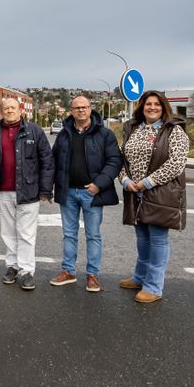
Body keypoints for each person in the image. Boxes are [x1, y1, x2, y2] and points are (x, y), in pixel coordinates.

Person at [118, 91, 188, 303]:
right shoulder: (133, 128)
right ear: (142, 106)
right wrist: (124, 180)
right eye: (148, 104)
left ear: (164, 107)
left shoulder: (174, 131)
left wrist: (147, 182)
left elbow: (176, 164)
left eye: (157, 104)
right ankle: (140, 277)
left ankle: (154, 286)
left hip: (159, 192)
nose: (152, 107)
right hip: (134, 192)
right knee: (142, 238)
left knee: (157, 239)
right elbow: (121, 158)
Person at [49, 95, 122, 292]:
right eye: (76, 107)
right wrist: (48, 188)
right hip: (68, 192)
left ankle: (92, 275)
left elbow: (115, 161)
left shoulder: (105, 134)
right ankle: (68, 271)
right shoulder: (64, 134)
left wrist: (99, 184)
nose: (81, 110)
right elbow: (52, 162)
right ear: (71, 111)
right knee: (69, 234)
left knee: (93, 235)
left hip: (92, 193)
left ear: (91, 109)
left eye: (84, 107)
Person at [0, 98, 53, 290]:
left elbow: (47, 160)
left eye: (13, 107)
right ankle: (12, 267)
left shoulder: (35, 131)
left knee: (26, 234)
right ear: (2, 111)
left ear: (20, 110)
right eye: (6, 108)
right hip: (3, 190)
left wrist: (46, 190)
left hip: (28, 191)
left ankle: (26, 270)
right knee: (8, 233)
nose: (9, 111)